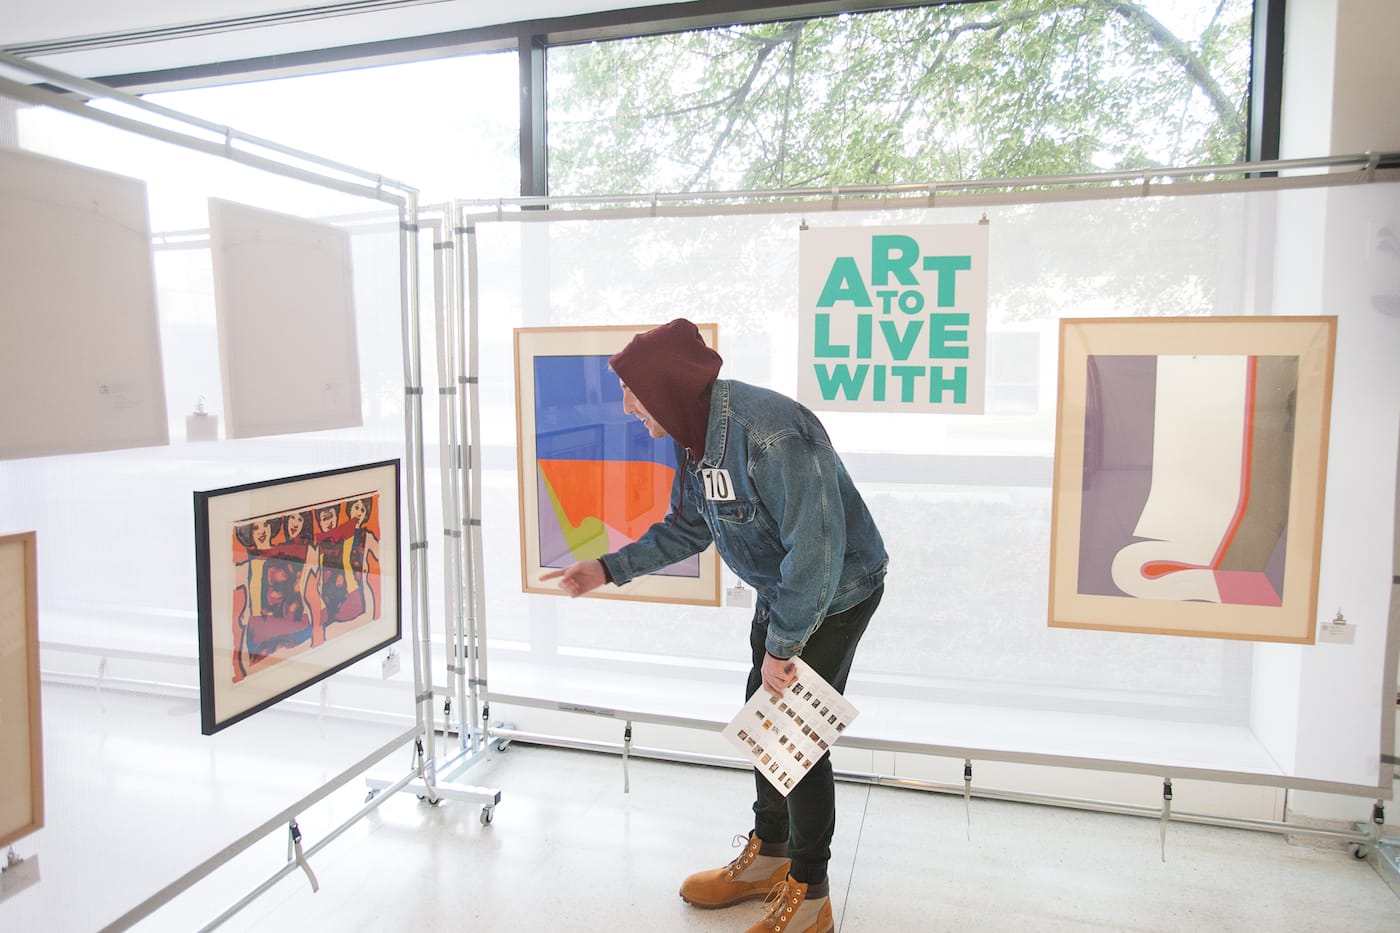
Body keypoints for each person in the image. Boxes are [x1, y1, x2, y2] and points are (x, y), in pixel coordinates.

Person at [543, 318, 887, 933]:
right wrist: (607, 567)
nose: (629, 409)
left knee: (794, 735)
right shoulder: (694, 434)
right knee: (762, 719)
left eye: (635, 393)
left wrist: (783, 646)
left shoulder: (775, 433)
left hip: (836, 592)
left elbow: (817, 553)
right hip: (783, 586)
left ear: (669, 386)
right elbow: (690, 525)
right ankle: (770, 856)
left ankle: (811, 896)